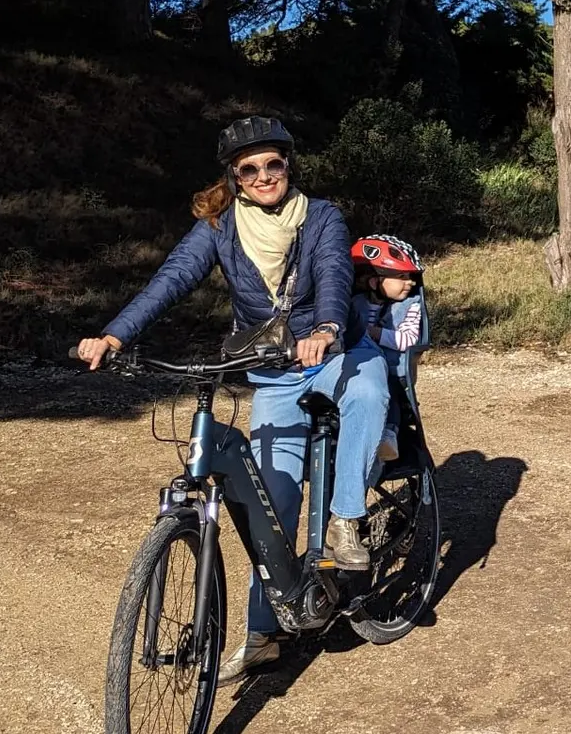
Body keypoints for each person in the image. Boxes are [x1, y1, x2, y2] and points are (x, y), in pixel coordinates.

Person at [76, 117, 389, 683]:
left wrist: (325, 328)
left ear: (288, 167)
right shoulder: (219, 227)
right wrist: (116, 334)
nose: (264, 175)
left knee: (368, 388)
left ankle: (347, 517)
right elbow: (171, 280)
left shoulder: (322, 217)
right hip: (272, 372)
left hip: (334, 353)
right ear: (236, 178)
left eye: (274, 164)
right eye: (251, 168)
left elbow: (334, 274)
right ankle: (262, 633)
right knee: (267, 504)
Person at [348, 234, 432, 463]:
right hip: (358, 367)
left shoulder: (409, 307)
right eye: (402, 277)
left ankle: (389, 434)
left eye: (411, 277)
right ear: (375, 281)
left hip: (393, 370)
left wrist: (375, 334)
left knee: (389, 391)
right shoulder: (354, 305)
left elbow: (408, 340)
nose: (411, 283)